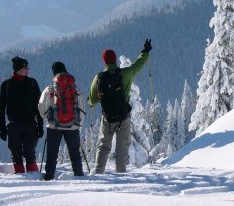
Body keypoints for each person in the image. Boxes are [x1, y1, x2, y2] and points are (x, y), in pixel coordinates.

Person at [88, 38, 152, 173]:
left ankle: (98, 173)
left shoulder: (98, 78)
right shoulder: (125, 73)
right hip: (123, 117)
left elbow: (92, 101)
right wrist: (145, 51)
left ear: (104, 61)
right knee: (122, 148)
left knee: (104, 146)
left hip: (107, 118)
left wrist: (91, 100)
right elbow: (138, 65)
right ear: (116, 60)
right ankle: (120, 174)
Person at [38, 61, 85, 181]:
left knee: (52, 154)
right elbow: (81, 108)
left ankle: (49, 177)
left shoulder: (50, 89)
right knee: (75, 153)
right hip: (72, 126)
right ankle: (79, 175)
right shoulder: (75, 88)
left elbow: (41, 106)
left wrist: (48, 119)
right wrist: (77, 122)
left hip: (54, 126)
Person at [0, 56, 44, 174]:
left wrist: (40, 124)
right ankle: (22, 179)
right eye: (25, 68)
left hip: (29, 124)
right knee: (17, 154)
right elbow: (1, 108)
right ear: (19, 69)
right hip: (15, 125)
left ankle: (31, 178)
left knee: (29, 153)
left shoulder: (31, 83)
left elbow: (39, 105)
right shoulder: (7, 85)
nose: (28, 70)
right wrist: (2, 127)